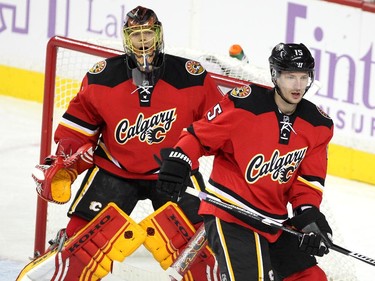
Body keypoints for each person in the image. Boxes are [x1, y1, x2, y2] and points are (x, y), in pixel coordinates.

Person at [17, 6, 222, 281]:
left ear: (158, 34)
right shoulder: (103, 77)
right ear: (127, 38)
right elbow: (77, 130)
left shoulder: (191, 77)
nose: (143, 41)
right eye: (136, 35)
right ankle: (61, 255)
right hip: (114, 171)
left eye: (147, 33)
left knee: (205, 250)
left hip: (174, 172)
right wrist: (67, 161)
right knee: (81, 248)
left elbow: (220, 128)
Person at [156, 42, 334, 281]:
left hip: (274, 223)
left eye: (304, 77)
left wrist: (309, 217)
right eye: (291, 77)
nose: (298, 85)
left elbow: (307, 182)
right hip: (231, 215)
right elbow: (199, 136)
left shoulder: (318, 124)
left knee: (312, 277)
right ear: (275, 75)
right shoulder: (245, 104)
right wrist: (180, 160)